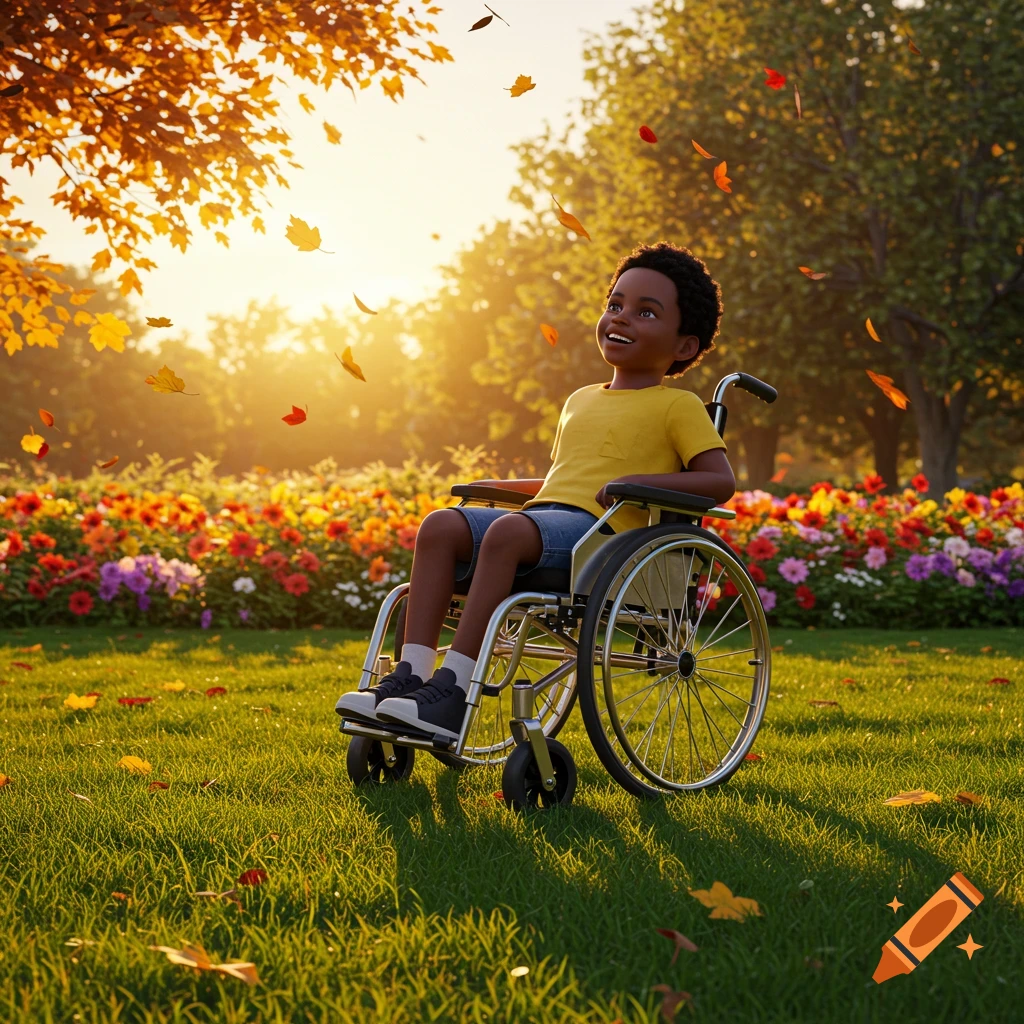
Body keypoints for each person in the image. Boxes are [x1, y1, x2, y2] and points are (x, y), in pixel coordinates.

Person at [336, 241, 737, 740]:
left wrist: (637, 485)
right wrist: (491, 486)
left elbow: (719, 482)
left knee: (506, 533)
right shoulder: (580, 400)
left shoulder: (677, 406)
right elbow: (559, 479)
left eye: (646, 312)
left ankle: (453, 692)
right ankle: (408, 678)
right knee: (440, 524)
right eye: (615, 305)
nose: (622, 318)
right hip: (543, 520)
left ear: (683, 346)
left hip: (601, 537)